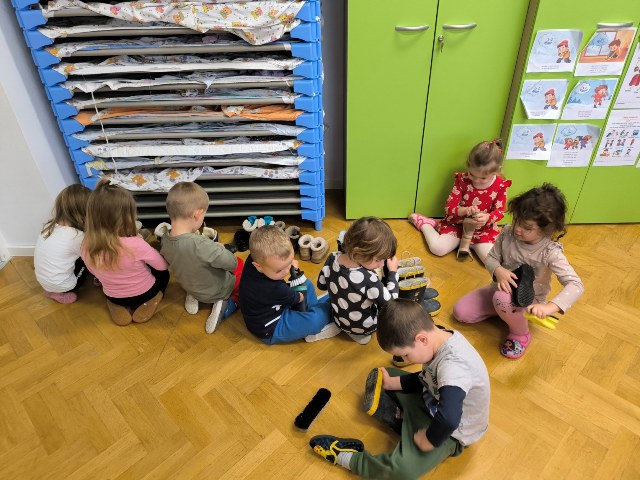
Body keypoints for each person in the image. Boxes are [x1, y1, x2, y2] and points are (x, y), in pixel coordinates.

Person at [309, 299, 490, 479]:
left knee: (402, 472)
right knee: (386, 376)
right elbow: (430, 377)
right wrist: (396, 383)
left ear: (422, 339)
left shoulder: (454, 367)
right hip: (432, 400)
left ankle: (348, 457)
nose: (404, 360)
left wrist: (429, 440)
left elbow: (449, 419)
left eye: (405, 355)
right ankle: (406, 421)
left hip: (449, 432)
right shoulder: (437, 338)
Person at [453, 184, 584, 359]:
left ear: (547, 229)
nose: (517, 229)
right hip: (498, 290)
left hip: (527, 300)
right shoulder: (507, 233)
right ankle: (504, 310)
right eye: (516, 220)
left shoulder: (550, 252)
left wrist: (549, 307)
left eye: (527, 227)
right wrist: (498, 270)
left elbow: (576, 285)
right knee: (460, 312)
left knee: (502, 298)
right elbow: (491, 258)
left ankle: (520, 333)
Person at [81, 180, 169, 326]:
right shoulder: (136, 244)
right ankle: (155, 297)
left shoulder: (86, 245)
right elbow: (162, 266)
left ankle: (115, 304)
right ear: (127, 217)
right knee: (164, 274)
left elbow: (93, 272)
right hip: (145, 293)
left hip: (113, 296)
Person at [408, 139, 511, 263]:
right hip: (457, 225)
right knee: (438, 249)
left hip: (482, 231)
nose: (476, 181)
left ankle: (470, 245)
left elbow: (500, 212)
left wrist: (487, 217)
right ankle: (426, 224)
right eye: (472, 175)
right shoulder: (462, 180)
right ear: (468, 165)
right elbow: (449, 207)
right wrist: (465, 210)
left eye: (483, 178)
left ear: (496, 171)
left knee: (491, 261)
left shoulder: (500, 185)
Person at [160, 182, 243, 334]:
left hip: (189, 285)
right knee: (240, 265)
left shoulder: (164, 240)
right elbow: (231, 264)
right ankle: (222, 303)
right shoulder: (201, 244)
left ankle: (193, 295)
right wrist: (221, 249)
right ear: (197, 214)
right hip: (218, 289)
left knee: (192, 267)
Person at [238, 225, 337, 344]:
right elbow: (298, 298)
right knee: (315, 320)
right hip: (271, 328)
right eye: (279, 270)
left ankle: (312, 311)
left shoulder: (256, 258)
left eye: (289, 263)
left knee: (307, 284)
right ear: (258, 266)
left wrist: (287, 265)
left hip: (275, 304)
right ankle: (333, 307)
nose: (286, 272)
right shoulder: (273, 288)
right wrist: (301, 296)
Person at [317, 217, 399, 344]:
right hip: (364, 327)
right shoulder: (369, 279)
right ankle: (357, 334)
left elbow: (321, 285)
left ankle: (339, 326)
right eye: (378, 260)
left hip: (338, 317)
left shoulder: (332, 258)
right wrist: (393, 273)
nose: (382, 264)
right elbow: (391, 305)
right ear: (357, 252)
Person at [34, 184, 91, 304]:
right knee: (89, 258)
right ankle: (61, 293)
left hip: (43, 281)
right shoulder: (77, 236)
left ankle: (51, 290)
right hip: (64, 285)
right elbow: (91, 257)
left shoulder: (48, 226)